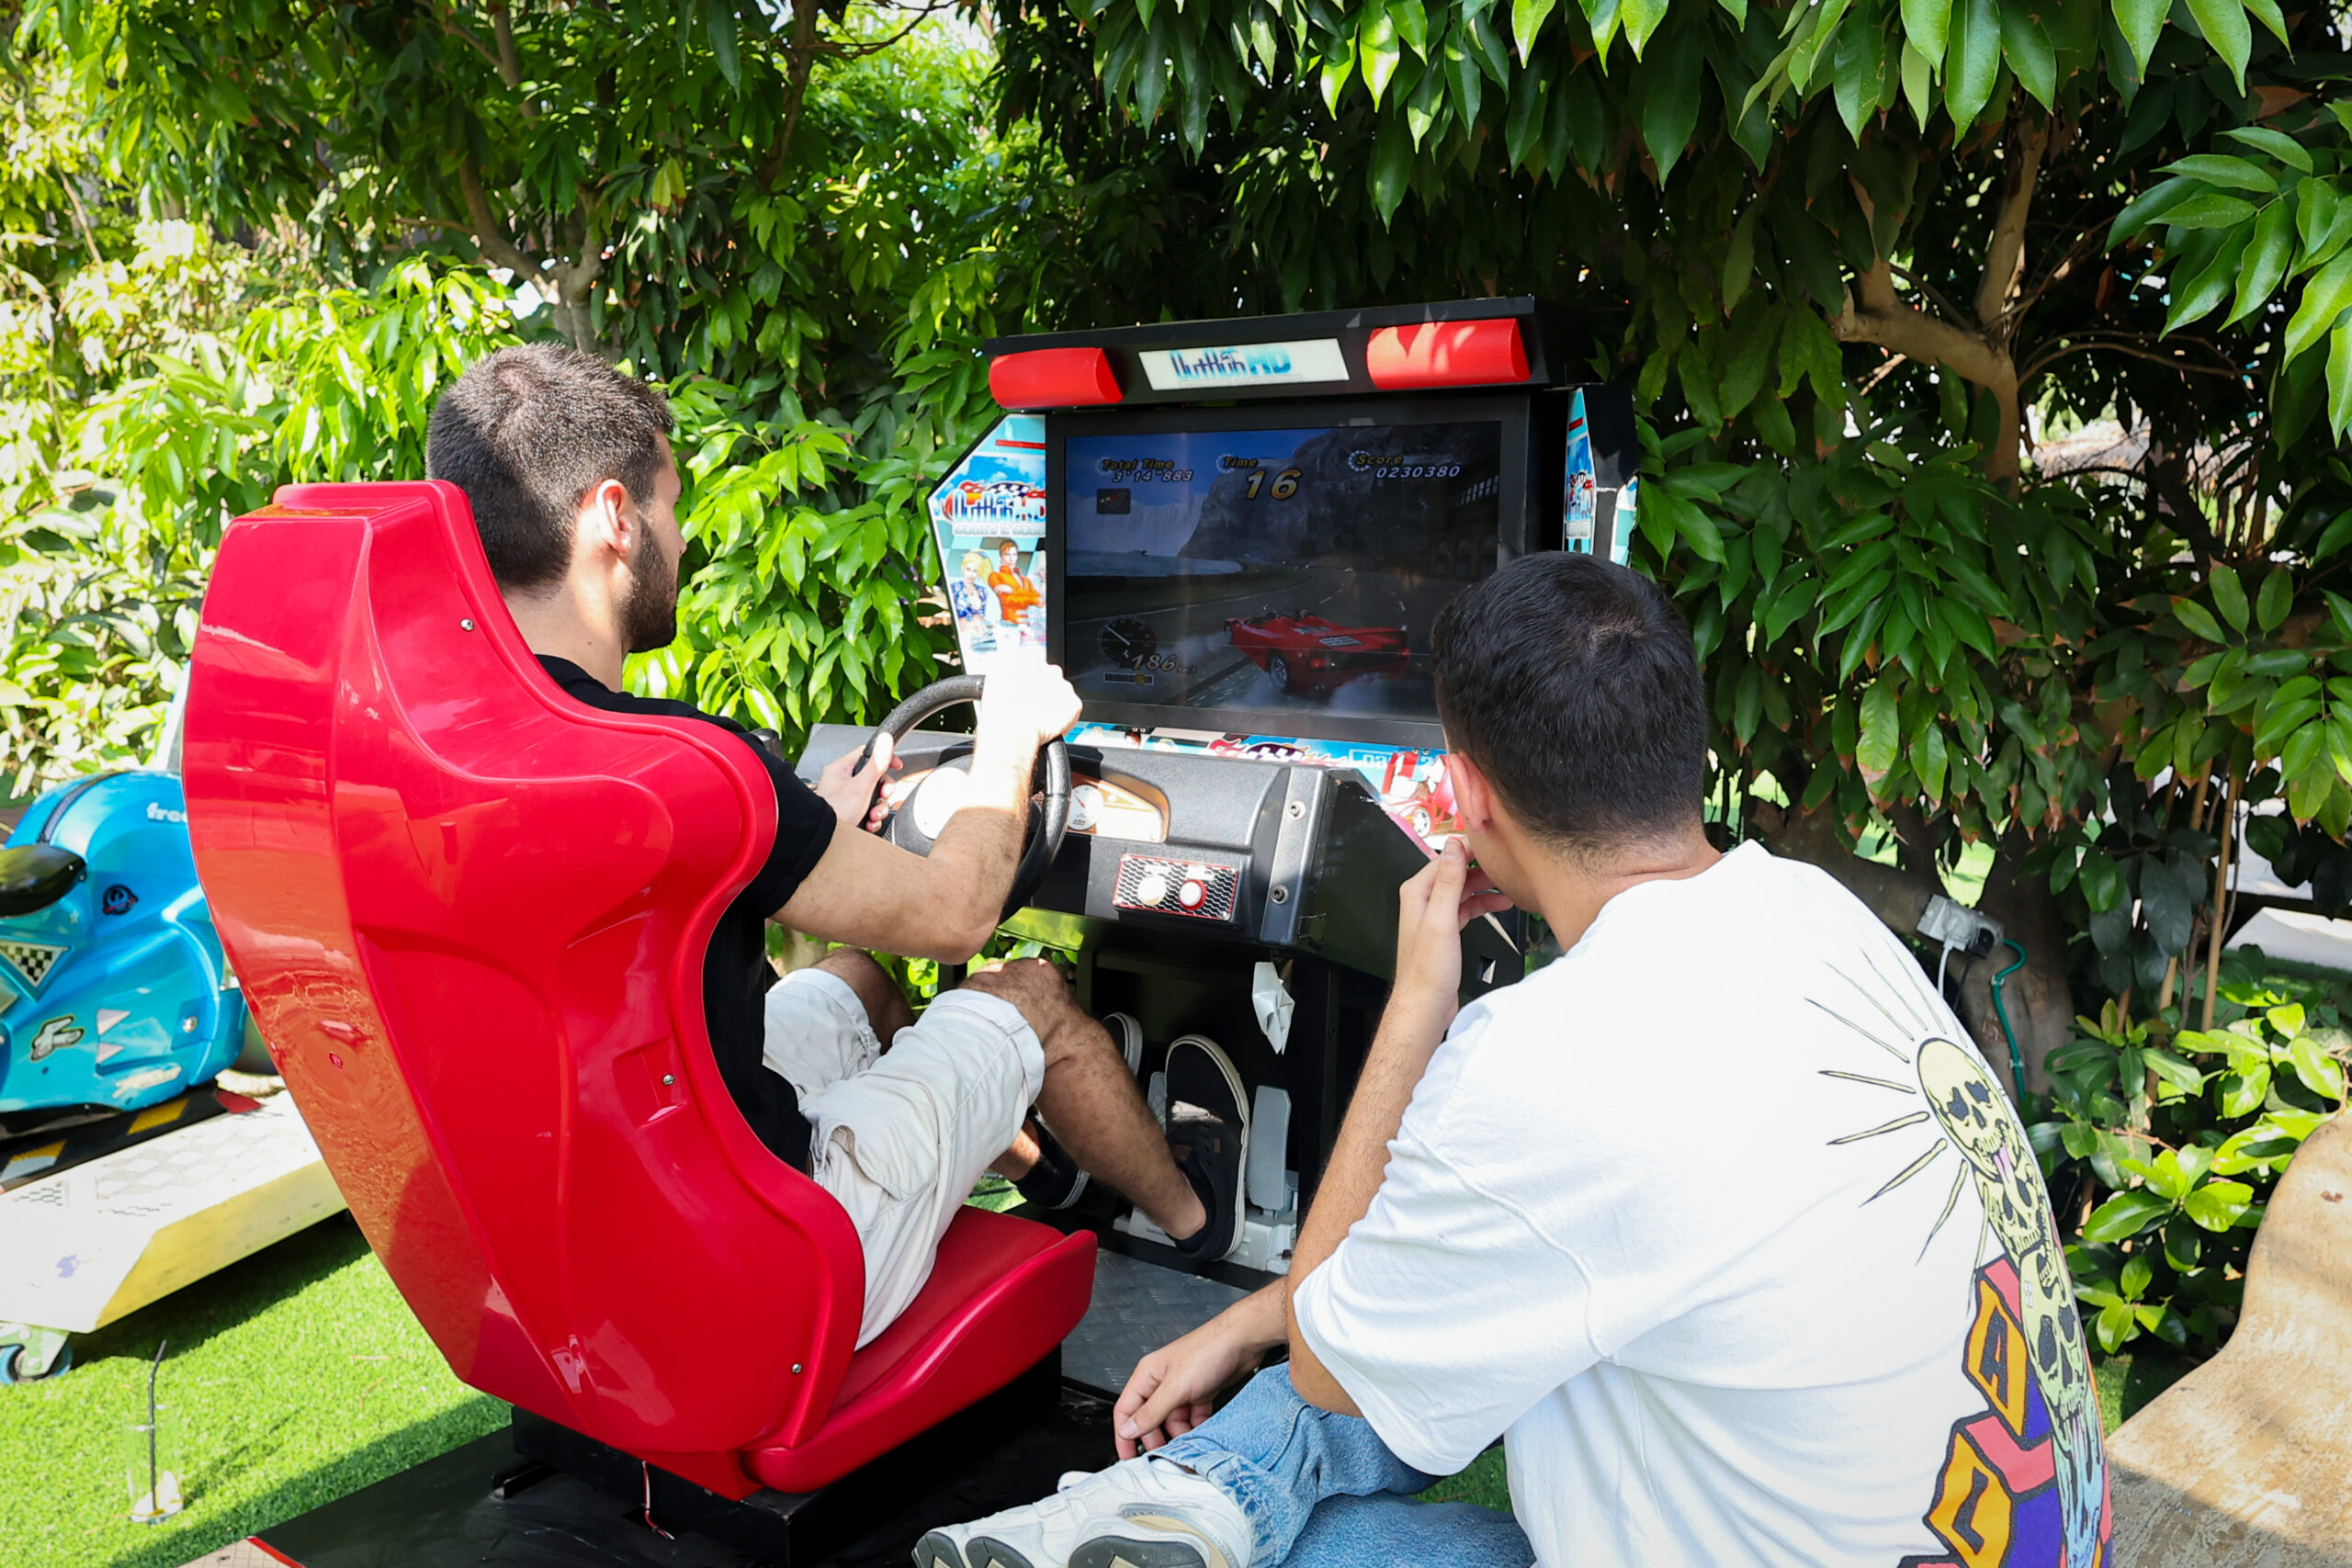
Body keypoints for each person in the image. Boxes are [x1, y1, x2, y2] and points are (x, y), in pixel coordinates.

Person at [921, 552, 2111, 1568]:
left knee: (1302, 1523)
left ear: (1465, 793)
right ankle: (1186, 1493)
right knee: (1419, 1322)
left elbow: (1333, 1361)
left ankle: (1169, 1503)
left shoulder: (1551, 1053)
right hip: (2013, 1529)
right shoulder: (1821, 916)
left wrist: (1416, 1007)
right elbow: (1417, 1284)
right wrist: (1246, 1323)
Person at [424, 344, 1251, 1348]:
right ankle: (1196, 1220)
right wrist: (1007, 737)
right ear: (613, 517)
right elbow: (957, 916)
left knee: (856, 980)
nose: (680, 538)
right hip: (769, 1260)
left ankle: (1060, 1176)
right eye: (670, 506)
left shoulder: (442, 746)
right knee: (1028, 996)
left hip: (601, 1209)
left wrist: (805, 816)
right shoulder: (689, 767)